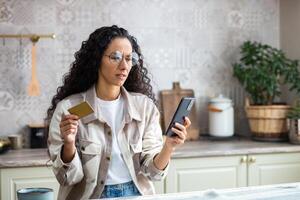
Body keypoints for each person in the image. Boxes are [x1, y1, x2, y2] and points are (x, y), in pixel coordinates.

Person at [46, 25, 191, 200]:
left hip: (137, 194)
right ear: (97, 59)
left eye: (129, 58)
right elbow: (67, 178)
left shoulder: (144, 107)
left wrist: (169, 146)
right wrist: (68, 144)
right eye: (115, 57)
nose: (124, 66)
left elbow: (154, 174)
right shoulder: (70, 108)